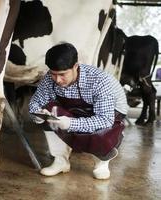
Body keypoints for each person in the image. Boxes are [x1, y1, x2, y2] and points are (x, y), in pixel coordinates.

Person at [29, 42, 128, 180]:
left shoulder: (100, 80)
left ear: (75, 66)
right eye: (53, 74)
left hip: (111, 114)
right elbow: (34, 103)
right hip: (77, 110)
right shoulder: (49, 79)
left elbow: (105, 120)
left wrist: (70, 123)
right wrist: (38, 115)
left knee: (102, 131)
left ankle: (102, 162)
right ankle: (60, 160)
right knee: (49, 110)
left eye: (63, 74)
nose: (57, 79)